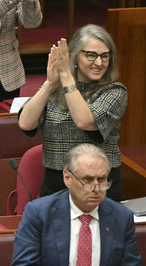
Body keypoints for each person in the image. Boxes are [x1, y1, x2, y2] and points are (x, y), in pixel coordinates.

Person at [2, 144, 144, 266]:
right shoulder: (39, 213)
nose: (96, 188)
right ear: (67, 178)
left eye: (102, 180)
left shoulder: (121, 217)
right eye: (87, 179)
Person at [18, 24, 127, 201]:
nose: (99, 63)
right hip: (56, 186)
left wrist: (67, 77)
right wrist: (49, 84)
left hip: (98, 188)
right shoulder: (55, 90)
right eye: (91, 55)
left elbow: (85, 121)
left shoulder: (115, 92)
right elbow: (26, 123)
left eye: (104, 56)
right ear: (75, 56)